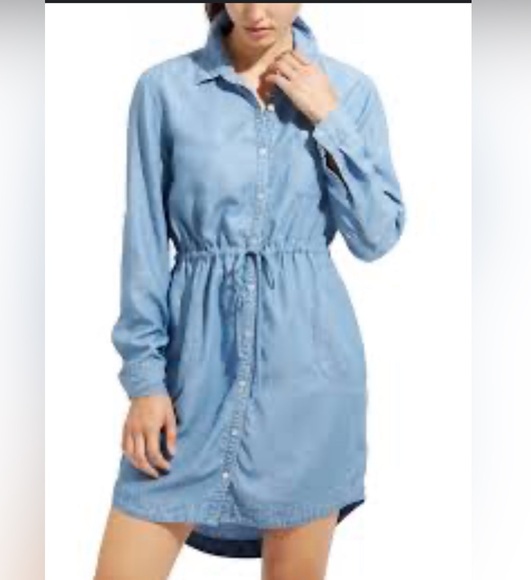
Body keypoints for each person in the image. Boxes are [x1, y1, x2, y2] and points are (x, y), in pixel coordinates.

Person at [95, 3, 406, 579]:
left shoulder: (350, 91)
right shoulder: (165, 90)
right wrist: (144, 382)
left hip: (309, 383)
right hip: (190, 378)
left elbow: (376, 236)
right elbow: (143, 244)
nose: (256, 11)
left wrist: (329, 117)